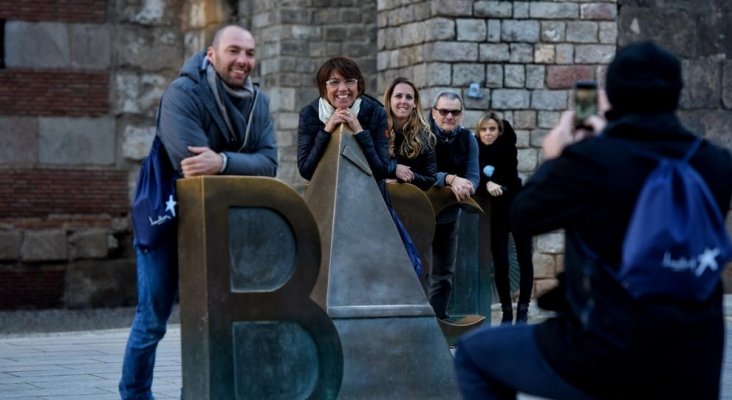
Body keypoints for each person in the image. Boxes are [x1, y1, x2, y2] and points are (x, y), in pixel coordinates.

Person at [454, 41, 732, 399]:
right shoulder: (717, 164)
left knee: (476, 354)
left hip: (607, 349)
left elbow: (522, 216)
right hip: (695, 355)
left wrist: (558, 156)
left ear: (609, 96)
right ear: (677, 93)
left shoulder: (591, 160)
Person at [119, 25, 277, 400]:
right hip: (166, 218)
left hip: (221, 222)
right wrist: (240, 162)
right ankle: (135, 394)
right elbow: (190, 164)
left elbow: (269, 163)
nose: (243, 60)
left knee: (225, 315)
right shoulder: (182, 93)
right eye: (234, 51)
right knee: (153, 319)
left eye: (250, 53)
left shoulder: (260, 102)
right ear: (211, 54)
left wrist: (221, 160)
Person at [475, 112, 534, 324]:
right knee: (501, 263)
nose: (488, 133)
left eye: (492, 129)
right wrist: (486, 183)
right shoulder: (475, 151)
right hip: (496, 215)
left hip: (518, 207)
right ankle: (507, 312)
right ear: (478, 132)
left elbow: (509, 175)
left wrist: (496, 183)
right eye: (484, 129)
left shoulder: (507, 147)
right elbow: (474, 176)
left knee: (525, 259)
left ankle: (524, 311)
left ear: (499, 131)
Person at [297, 56, 388, 189]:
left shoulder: (376, 112)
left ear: (358, 85)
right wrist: (326, 131)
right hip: (326, 196)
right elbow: (306, 171)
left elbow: (381, 171)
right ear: (324, 87)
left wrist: (359, 130)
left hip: (369, 196)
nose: (343, 88)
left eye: (349, 81)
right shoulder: (309, 115)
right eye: (334, 82)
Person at [427, 91, 479, 320]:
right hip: (419, 212)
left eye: (454, 112)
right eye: (444, 111)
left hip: (449, 214)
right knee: (414, 269)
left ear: (461, 115)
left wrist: (466, 185)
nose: (449, 116)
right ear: (433, 112)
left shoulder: (468, 140)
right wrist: (449, 179)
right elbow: (421, 174)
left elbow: (474, 176)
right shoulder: (421, 135)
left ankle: (439, 319)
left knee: (444, 272)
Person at [383, 77, 437, 190]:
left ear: (415, 103)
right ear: (389, 100)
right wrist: (394, 169)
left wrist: (407, 176)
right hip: (379, 197)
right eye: (398, 96)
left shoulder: (425, 136)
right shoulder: (377, 129)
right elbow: (367, 164)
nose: (403, 101)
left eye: (409, 97)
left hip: (409, 200)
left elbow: (430, 179)